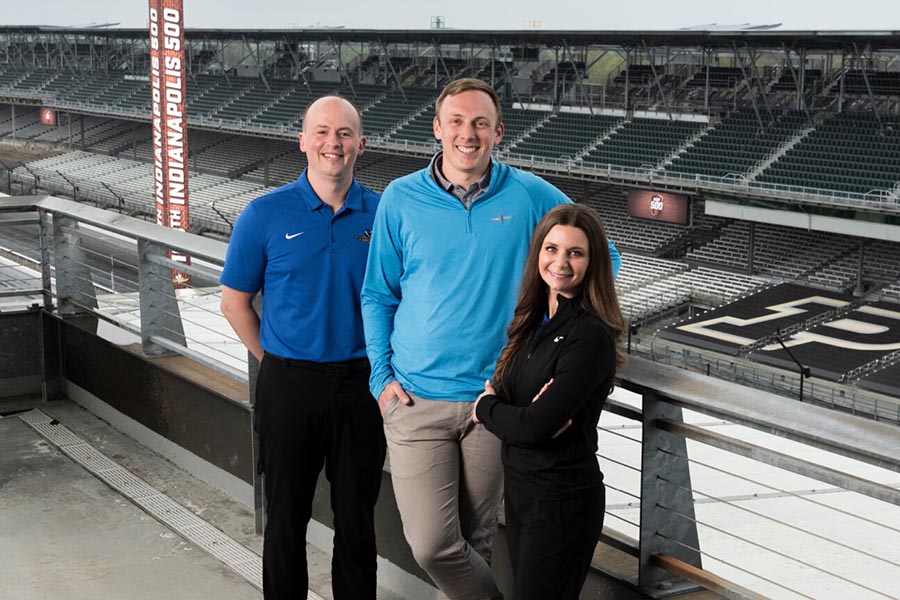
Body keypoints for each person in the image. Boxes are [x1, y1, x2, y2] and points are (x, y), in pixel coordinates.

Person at [360, 77, 620, 599]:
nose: (468, 133)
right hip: (415, 399)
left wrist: (553, 349)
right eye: (456, 121)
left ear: (499, 132)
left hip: (495, 401)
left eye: (480, 123)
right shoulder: (401, 198)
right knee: (433, 545)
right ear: (437, 128)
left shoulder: (529, 194)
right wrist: (381, 380)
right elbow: (377, 294)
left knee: (475, 543)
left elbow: (600, 255)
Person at [219, 96, 385, 600]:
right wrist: (276, 361)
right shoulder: (263, 214)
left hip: (362, 385)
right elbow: (234, 302)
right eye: (322, 132)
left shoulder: (385, 214)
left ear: (361, 144)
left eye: (344, 133)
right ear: (302, 141)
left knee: (357, 522)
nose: (333, 143)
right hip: (288, 384)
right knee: (285, 519)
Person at [473, 203, 625, 600]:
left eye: (575, 253)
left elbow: (534, 426)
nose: (560, 262)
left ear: (593, 262)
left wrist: (487, 408)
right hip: (522, 491)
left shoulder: (589, 335)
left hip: (561, 502)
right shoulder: (535, 321)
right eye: (552, 248)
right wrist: (521, 415)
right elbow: (526, 415)